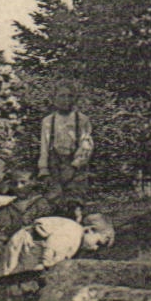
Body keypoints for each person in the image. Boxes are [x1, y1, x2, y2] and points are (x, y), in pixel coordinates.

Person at [0, 213, 114, 280]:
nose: (95, 248)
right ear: (90, 230)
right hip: (29, 242)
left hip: (35, 244)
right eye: (97, 243)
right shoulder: (72, 233)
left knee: (22, 275)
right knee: (14, 273)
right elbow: (54, 246)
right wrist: (48, 264)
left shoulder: (76, 235)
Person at [37, 87, 94, 216]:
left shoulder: (82, 119)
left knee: (74, 200)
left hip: (76, 162)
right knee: (54, 199)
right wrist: (44, 169)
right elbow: (44, 146)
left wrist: (75, 165)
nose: (66, 100)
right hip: (55, 163)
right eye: (62, 96)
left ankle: (76, 223)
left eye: (70, 96)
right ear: (54, 99)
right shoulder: (48, 121)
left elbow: (86, 144)